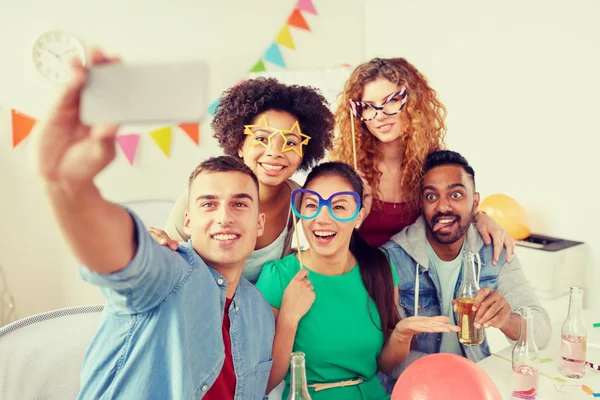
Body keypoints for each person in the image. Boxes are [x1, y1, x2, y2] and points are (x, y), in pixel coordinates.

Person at [35, 49, 275, 399]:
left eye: (240, 204)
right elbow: (122, 261)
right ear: (188, 222)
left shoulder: (258, 312)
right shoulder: (171, 274)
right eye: (209, 204)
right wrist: (69, 187)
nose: (224, 216)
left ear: (259, 223)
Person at [255, 162, 459, 400]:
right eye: (312, 205)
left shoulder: (378, 267)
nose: (322, 218)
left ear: (358, 216)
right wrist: (289, 318)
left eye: (338, 207)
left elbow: (383, 364)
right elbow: (264, 382)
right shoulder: (277, 277)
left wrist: (402, 334)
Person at [381, 150, 551, 388]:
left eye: (456, 194)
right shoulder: (392, 258)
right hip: (418, 386)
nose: (443, 207)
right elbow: (386, 356)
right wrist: (456, 378)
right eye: (431, 197)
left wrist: (507, 320)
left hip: (476, 379)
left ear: (476, 202)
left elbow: (542, 333)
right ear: (421, 203)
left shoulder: (495, 250)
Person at [151, 78, 335, 283]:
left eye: (290, 142)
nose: (275, 152)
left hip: (259, 310)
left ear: (304, 152)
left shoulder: (299, 199)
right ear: (240, 144)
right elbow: (167, 257)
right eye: (262, 139)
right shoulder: (203, 195)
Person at [331, 57, 513, 264]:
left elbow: (452, 210)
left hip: (418, 284)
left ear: (413, 104)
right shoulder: (347, 169)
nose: (379, 115)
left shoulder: (433, 166)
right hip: (357, 275)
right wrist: (358, 213)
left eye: (391, 101)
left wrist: (481, 217)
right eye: (368, 106)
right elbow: (328, 236)